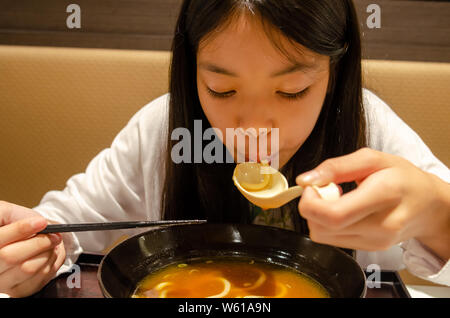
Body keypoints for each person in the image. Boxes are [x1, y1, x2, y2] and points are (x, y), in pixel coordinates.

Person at [0, 0, 449, 297]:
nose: (254, 128)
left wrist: (437, 213)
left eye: (292, 91)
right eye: (221, 89)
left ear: (335, 73)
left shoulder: (370, 132)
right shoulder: (162, 131)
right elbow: (67, 230)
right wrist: (33, 253)